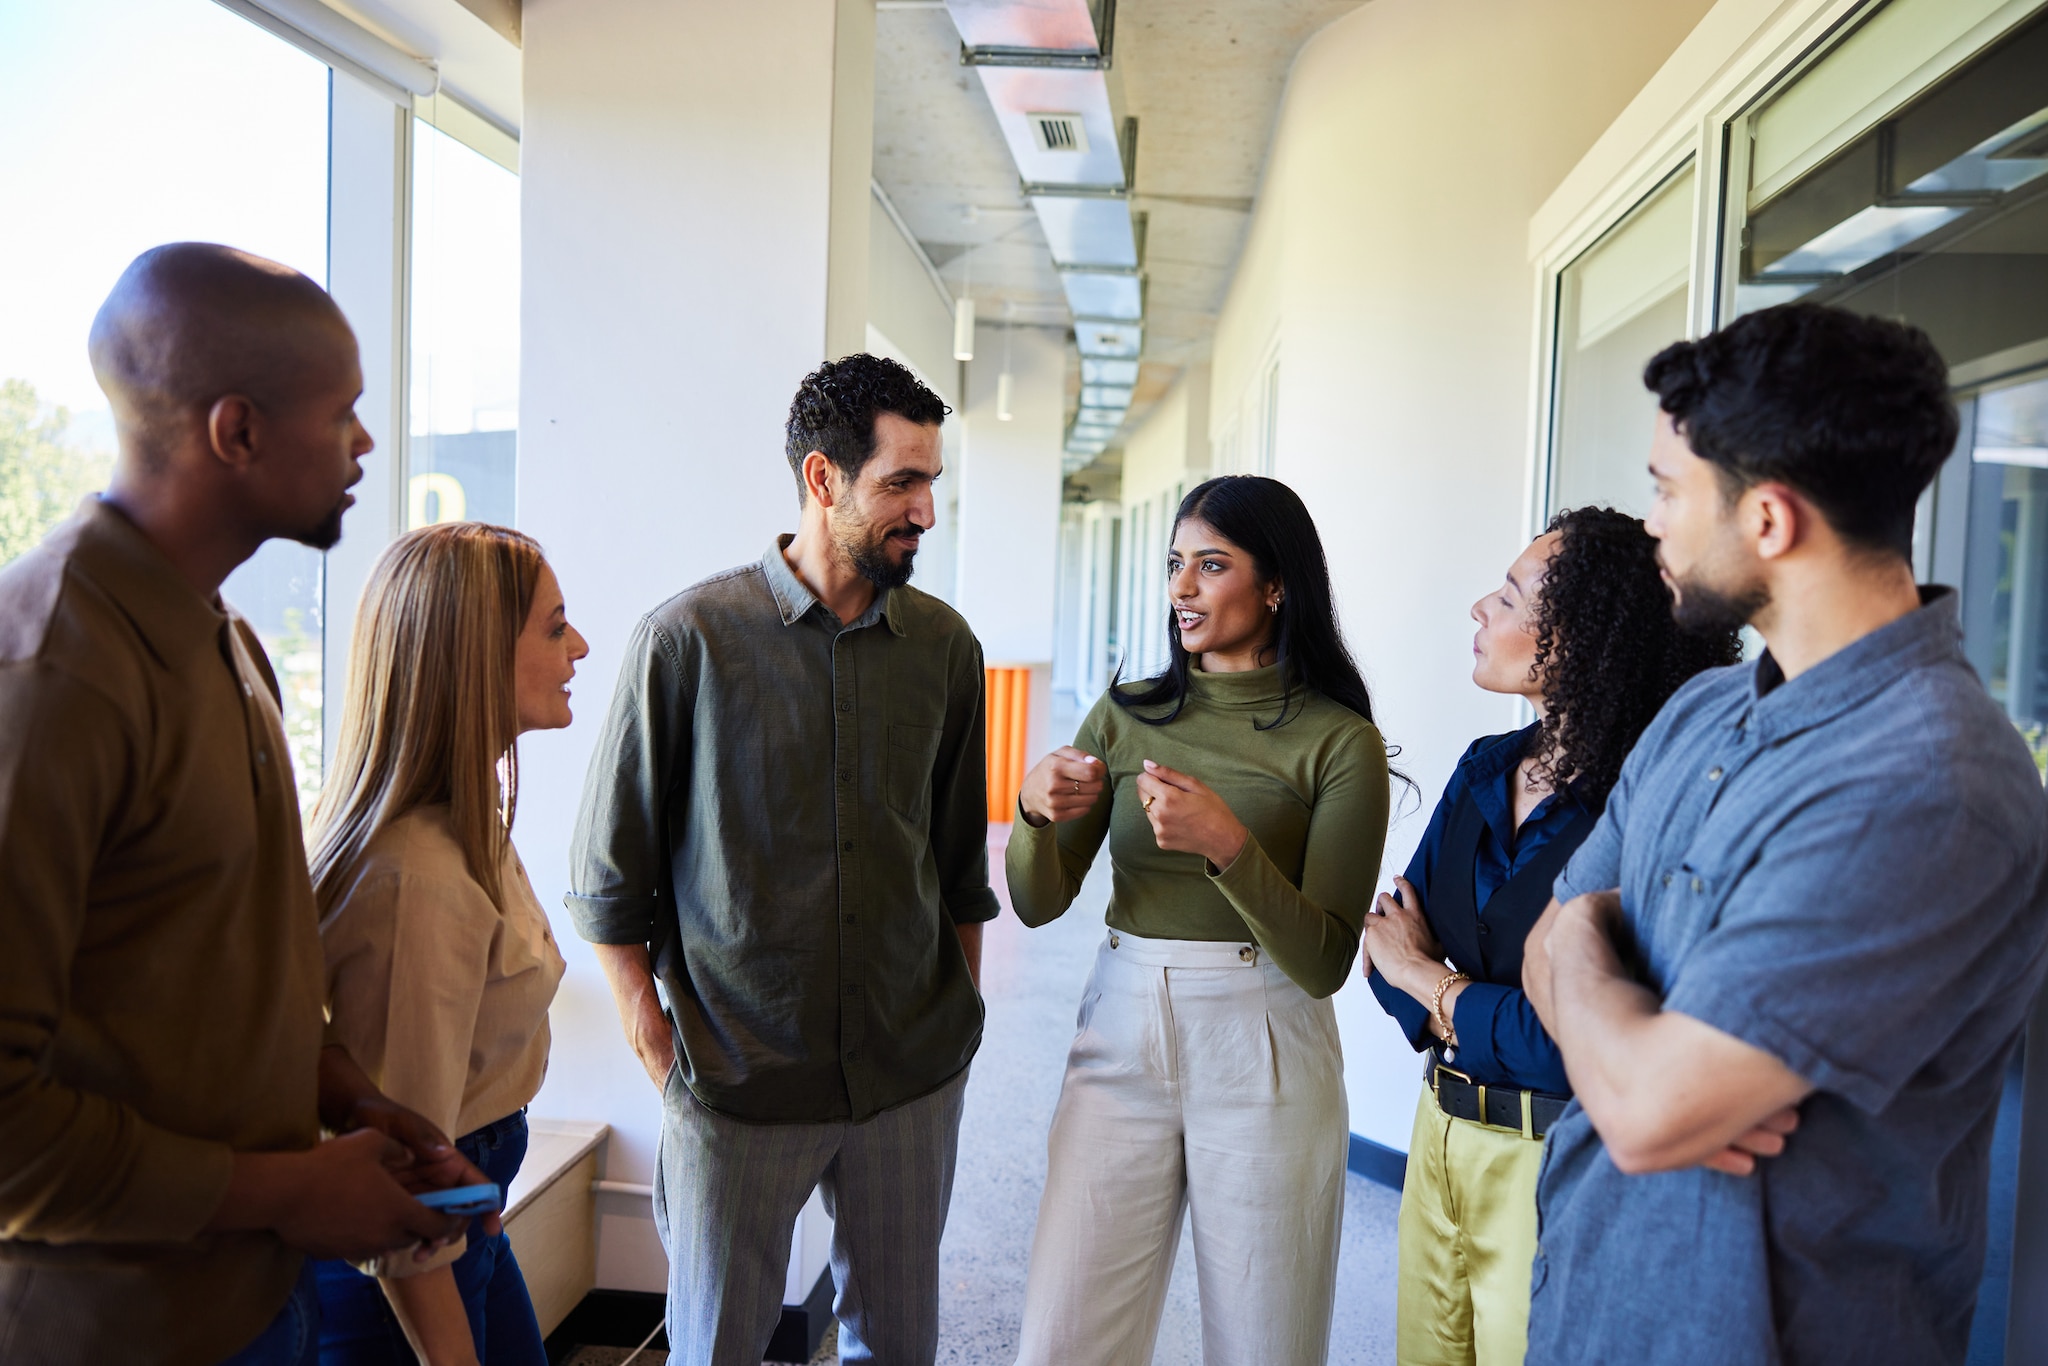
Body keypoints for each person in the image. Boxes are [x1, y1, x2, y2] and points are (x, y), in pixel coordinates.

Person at [1521, 302, 2048, 1366]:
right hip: (1595, 1302)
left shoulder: (1930, 783)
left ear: (1767, 519)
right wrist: (1595, 973)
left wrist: (1599, 977)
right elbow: (1544, 940)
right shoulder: (1697, 712)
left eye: (1667, 490)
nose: (1651, 523)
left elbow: (1647, 1113)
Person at [0, 243, 492, 1365]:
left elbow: (201, 976)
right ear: (238, 431)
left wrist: (353, 1103)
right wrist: (285, 1190)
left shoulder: (226, 641)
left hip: (254, 1303)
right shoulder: (51, 677)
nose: (367, 443)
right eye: (344, 414)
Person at [568, 354, 996, 1366]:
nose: (925, 511)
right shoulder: (687, 640)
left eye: (932, 481)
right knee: (714, 1346)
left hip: (907, 1075)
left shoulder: (945, 647)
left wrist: (958, 1029)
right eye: (901, 482)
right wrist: (663, 1056)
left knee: (894, 1348)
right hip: (735, 1081)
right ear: (822, 479)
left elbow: (955, 863)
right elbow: (608, 878)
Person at [1006, 474, 1391, 1366]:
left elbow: (1327, 959)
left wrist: (1230, 850)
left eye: (1210, 565)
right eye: (1175, 564)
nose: (1181, 588)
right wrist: (1031, 811)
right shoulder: (1127, 713)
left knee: (1267, 1340)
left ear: (1277, 584)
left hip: (1266, 1037)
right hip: (1120, 1024)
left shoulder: (1338, 742)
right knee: (1064, 1337)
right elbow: (1037, 902)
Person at [1363, 506, 1740, 1366]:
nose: (1478, 611)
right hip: (1441, 1137)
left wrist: (1436, 985)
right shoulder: (1484, 767)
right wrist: (1432, 983)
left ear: (1582, 637)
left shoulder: (1641, 805)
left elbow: (1574, 1043)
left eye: (1508, 595)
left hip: (1561, 1157)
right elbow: (1384, 949)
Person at [309, 523, 588, 1365]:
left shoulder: (463, 828)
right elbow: (400, 1169)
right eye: (553, 627)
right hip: (404, 1267)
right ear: (473, 659)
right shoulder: (413, 881)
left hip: (469, 1214)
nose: (578, 645)